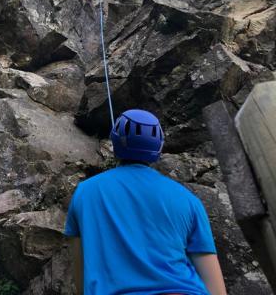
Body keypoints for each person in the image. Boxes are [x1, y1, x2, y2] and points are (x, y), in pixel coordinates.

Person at [64, 109, 227, 295]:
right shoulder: (189, 201)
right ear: (158, 148)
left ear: (116, 142)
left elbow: (80, 274)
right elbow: (216, 288)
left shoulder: (85, 192)